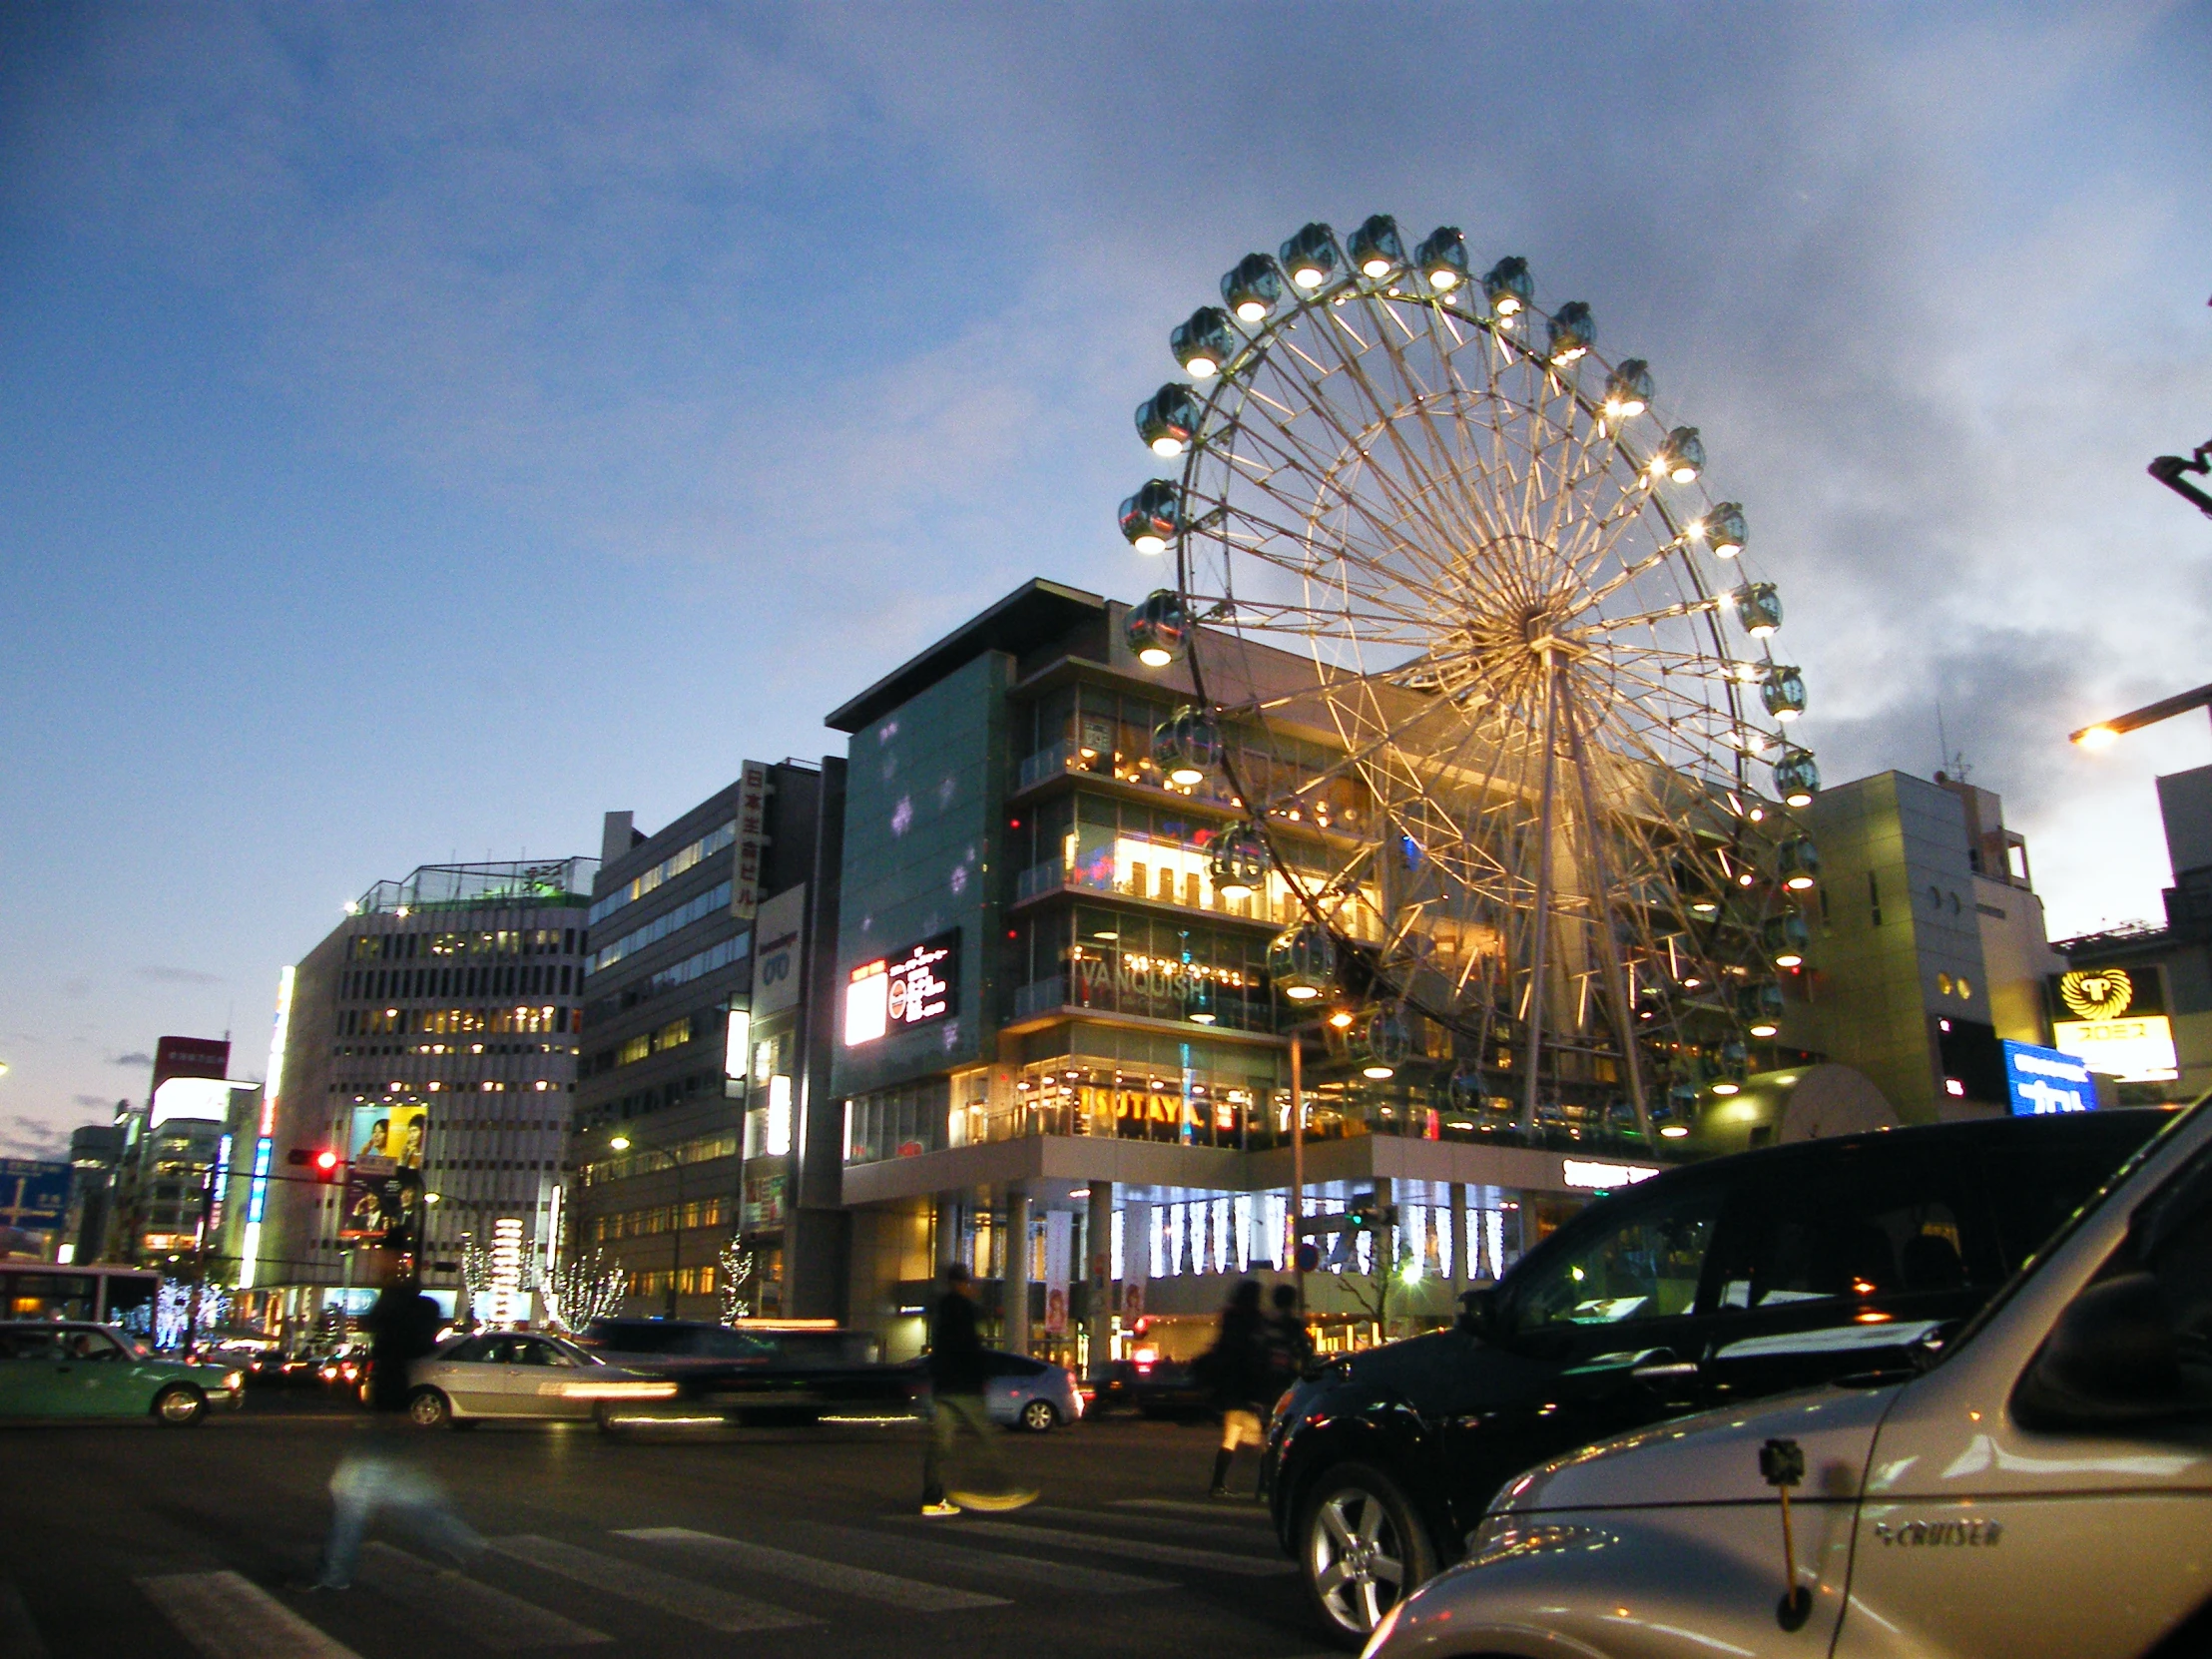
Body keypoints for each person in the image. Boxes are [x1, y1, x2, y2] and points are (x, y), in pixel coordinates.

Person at [301, 1274, 477, 1591]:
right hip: (389, 1419)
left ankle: (334, 1575)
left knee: (354, 1494)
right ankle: (462, 1545)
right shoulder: (400, 1305)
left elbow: (392, 1356)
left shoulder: (399, 1308)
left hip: (389, 1418)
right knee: (405, 1498)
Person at [920, 1262, 1036, 1517]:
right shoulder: (967, 1310)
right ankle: (999, 1488)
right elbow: (971, 1348)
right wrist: (982, 1375)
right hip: (966, 1387)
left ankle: (932, 1497)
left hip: (944, 1386)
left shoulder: (941, 1310)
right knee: (985, 1437)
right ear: (964, 1284)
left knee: (940, 1443)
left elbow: (941, 1350)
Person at [1205, 1278, 1272, 1499]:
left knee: (1229, 1439)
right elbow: (1255, 1359)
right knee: (1263, 1445)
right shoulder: (1255, 1322)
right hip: (1247, 1394)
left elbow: (1224, 1353)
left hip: (1231, 1392)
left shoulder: (1230, 1319)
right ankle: (1263, 1488)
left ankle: (1217, 1484)